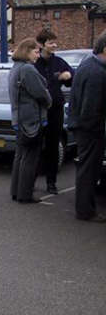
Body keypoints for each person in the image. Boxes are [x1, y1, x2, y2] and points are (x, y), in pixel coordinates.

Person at [67, 30, 106, 222]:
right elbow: (90, 109)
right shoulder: (97, 72)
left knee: (86, 170)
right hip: (89, 130)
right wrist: (97, 130)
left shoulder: (88, 64)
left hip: (82, 127)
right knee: (88, 172)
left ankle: (85, 208)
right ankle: (85, 211)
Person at [9, 38, 52, 203]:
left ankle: (16, 192)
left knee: (20, 156)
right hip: (31, 120)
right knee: (30, 158)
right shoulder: (28, 69)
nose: (38, 55)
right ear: (27, 51)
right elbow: (41, 93)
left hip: (19, 119)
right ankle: (25, 194)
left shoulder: (15, 68)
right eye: (35, 52)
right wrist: (49, 101)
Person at [34, 29, 74, 194]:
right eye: (51, 43)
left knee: (53, 147)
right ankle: (31, 181)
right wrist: (57, 77)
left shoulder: (59, 62)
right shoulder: (34, 63)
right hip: (38, 110)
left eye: (55, 42)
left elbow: (72, 78)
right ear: (42, 45)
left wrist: (68, 75)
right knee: (35, 147)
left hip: (56, 110)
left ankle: (51, 183)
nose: (54, 45)